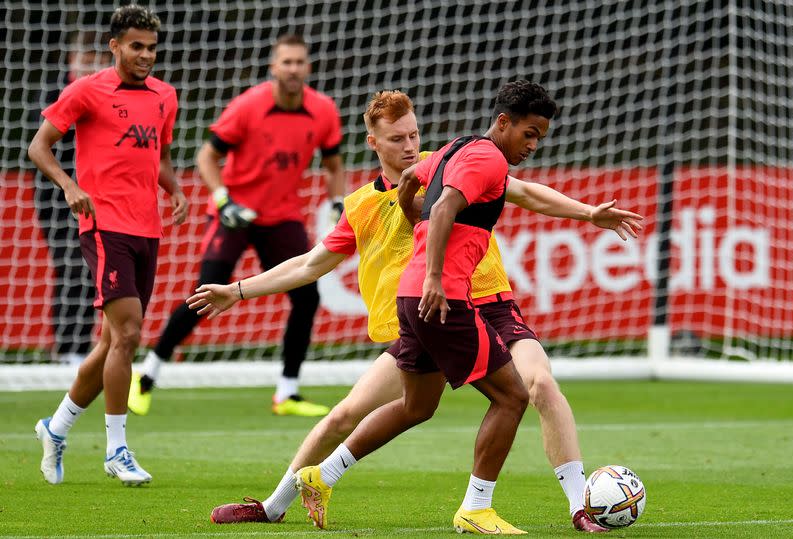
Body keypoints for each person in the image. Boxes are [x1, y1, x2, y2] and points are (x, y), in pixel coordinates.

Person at [190, 90, 641, 532]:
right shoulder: (362, 206)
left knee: (539, 383)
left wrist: (587, 213)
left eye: (413, 135)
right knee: (350, 413)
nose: (408, 146)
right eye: (396, 139)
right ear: (373, 143)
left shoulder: (448, 161)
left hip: (488, 303)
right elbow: (310, 264)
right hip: (431, 313)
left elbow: (525, 193)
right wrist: (239, 289)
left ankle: (580, 508)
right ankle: (275, 505)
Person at [128, 33, 345, 418]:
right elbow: (206, 158)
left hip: (282, 217)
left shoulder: (324, 111)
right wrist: (223, 199)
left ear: (308, 68)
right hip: (234, 215)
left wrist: (336, 205)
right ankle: (145, 376)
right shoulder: (248, 106)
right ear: (274, 68)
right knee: (204, 294)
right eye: (287, 62)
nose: (294, 69)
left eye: (300, 62)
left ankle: (287, 393)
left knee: (307, 298)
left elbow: (333, 166)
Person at [27, 4, 188, 486]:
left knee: (111, 343)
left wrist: (174, 189)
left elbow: (154, 152)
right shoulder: (86, 91)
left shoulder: (165, 96)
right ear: (115, 45)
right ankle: (117, 448)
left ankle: (55, 429)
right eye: (136, 46)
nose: (145, 56)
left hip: (147, 227)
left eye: (151, 48)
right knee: (131, 333)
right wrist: (69, 186)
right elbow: (39, 146)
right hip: (103, 224)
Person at [30, 31, 111, 365]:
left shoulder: (108, 97)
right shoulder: (57, 94)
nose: (92, 66)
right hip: (56, 197)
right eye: (86, 59)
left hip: (96, 197)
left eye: (98, 60)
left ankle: (79, 347)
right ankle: (67, 349)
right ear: (72, 61)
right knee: (69, 267)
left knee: (92, 270)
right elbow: (41, 146)